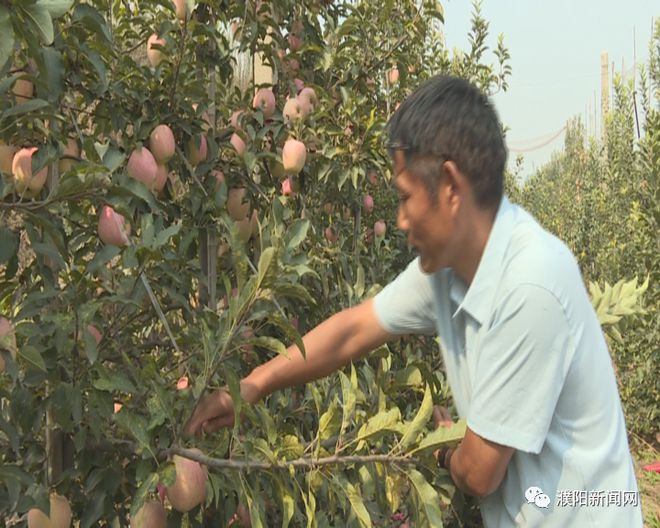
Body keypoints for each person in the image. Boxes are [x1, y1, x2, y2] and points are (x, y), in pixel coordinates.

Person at [185, 75, 643, 527]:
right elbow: (353, 330)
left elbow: (480, 473)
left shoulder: (529, 284)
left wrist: (443, 448)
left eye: (405, 198)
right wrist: (251, 387)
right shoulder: (448, 267)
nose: (401, 220)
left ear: (449, 186)